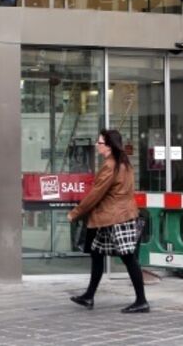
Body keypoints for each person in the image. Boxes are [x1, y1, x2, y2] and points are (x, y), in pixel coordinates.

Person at [67, 129, 149, 314]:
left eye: (100, 142)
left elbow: (96, 194)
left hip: (115, 217)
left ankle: (142, 301)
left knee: (128, 258)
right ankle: (89, 296)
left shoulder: (110, 166)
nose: (97, 145)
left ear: (109, 146)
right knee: (97, 254)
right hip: (116, 216)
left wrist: (75, 213)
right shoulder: (124, 163)